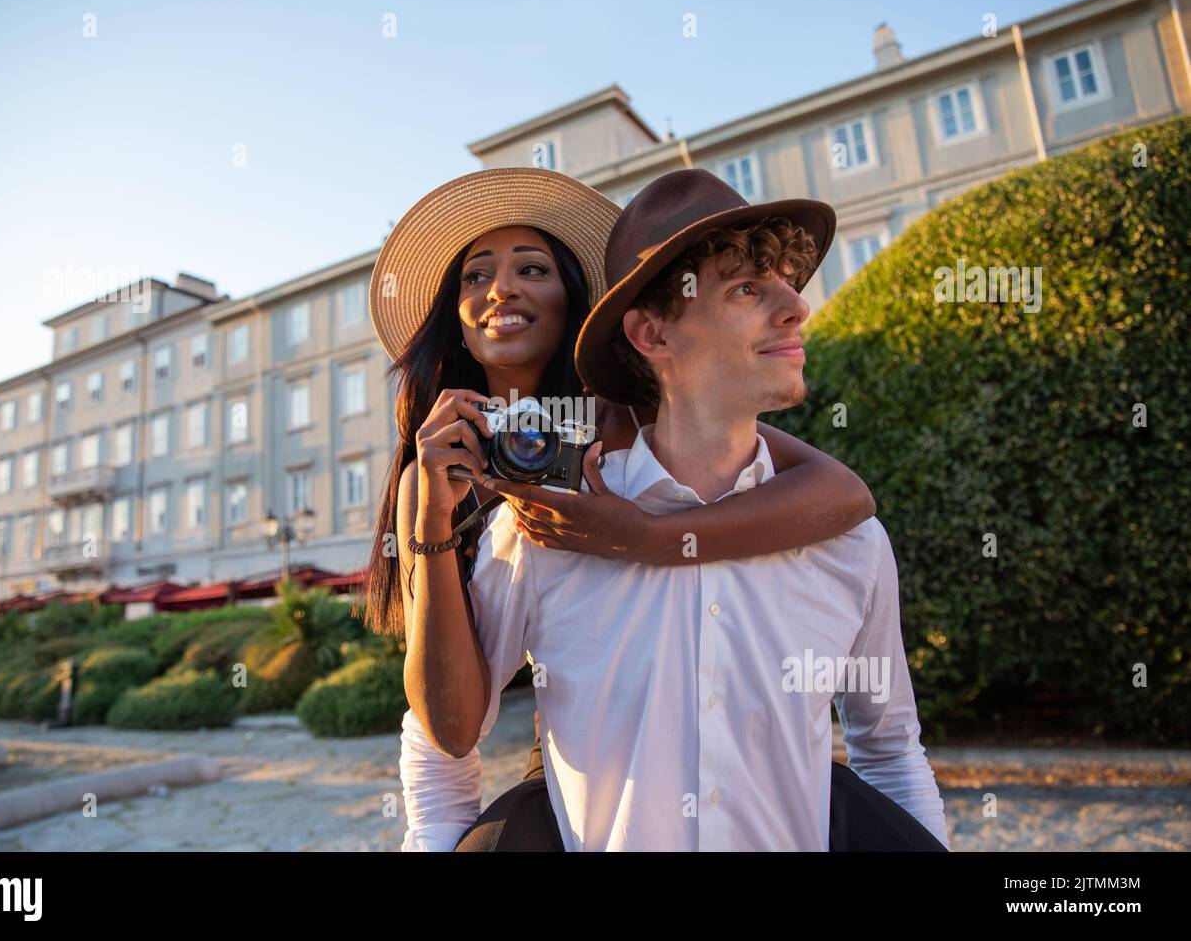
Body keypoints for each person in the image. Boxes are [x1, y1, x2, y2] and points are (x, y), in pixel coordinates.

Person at [362, 166, 941, 850]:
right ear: (648, 334)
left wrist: (654, 538)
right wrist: (425, 526)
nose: (502, 290)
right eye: (475, 275)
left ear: (583, 308)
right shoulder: (458, 488)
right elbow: (440, 733)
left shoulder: (620, 434)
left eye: (532, 268)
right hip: (577, 784)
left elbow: (845, 498)